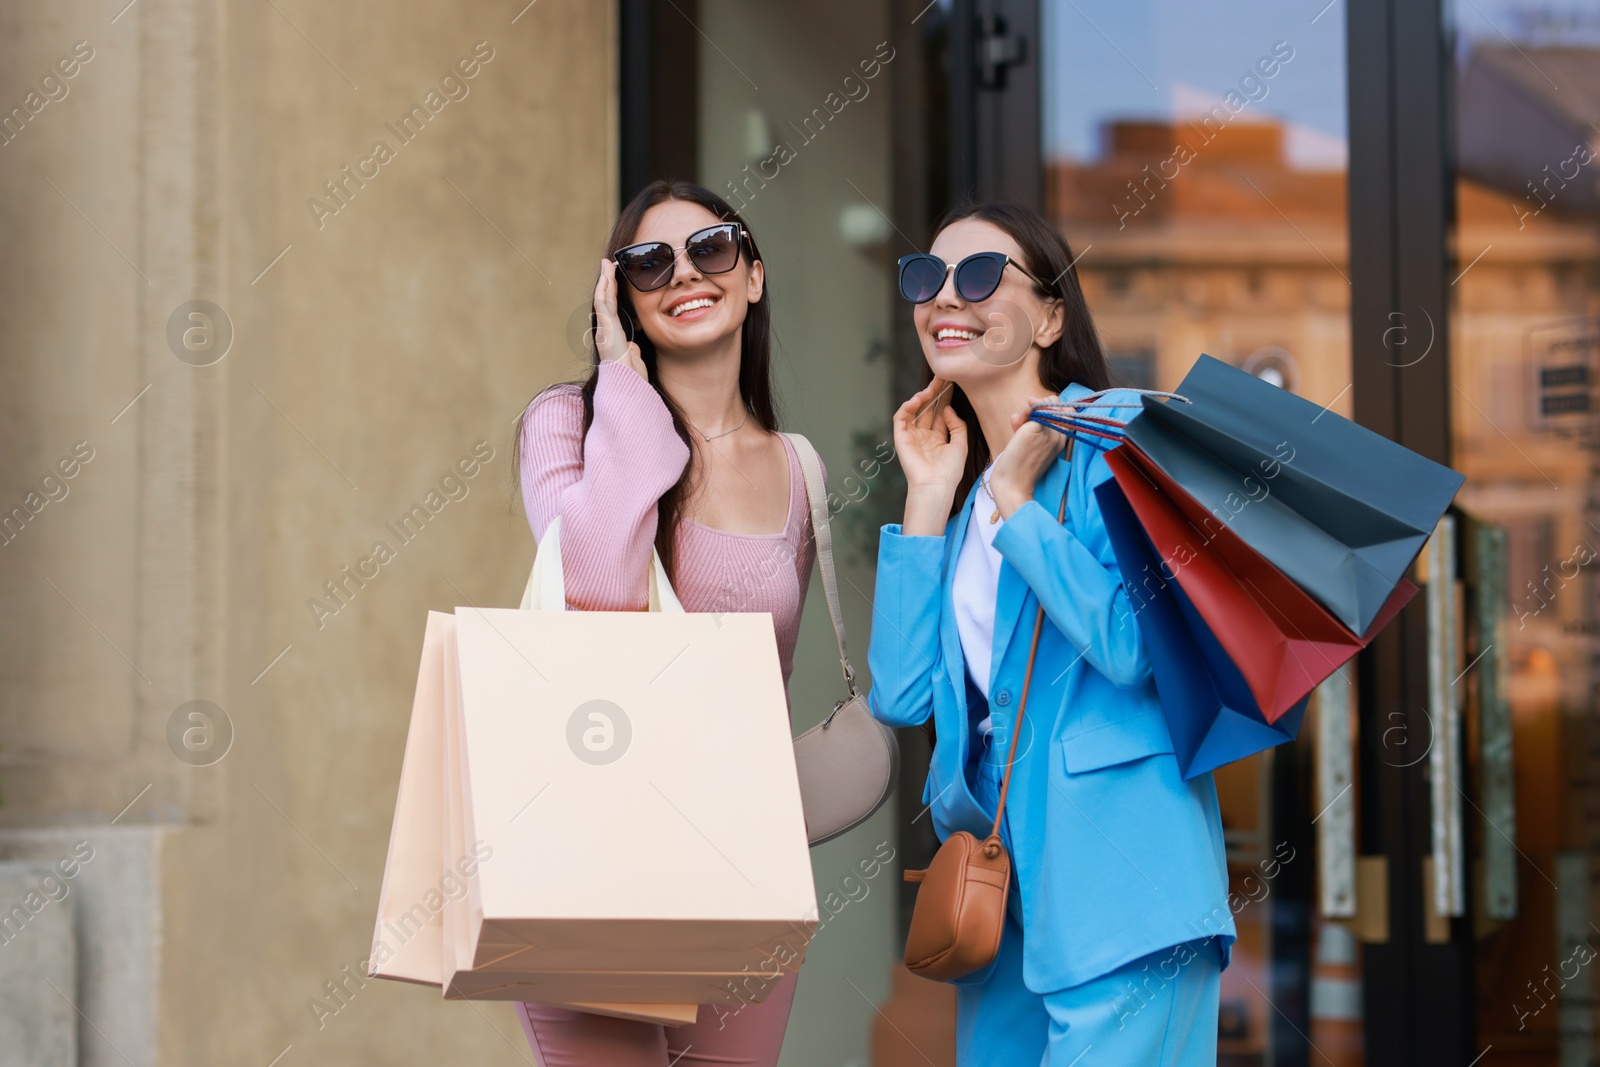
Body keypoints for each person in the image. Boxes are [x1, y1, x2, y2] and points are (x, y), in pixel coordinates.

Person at [865, 201, 1234, 1066]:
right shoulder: (960, 510)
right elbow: (902, 693)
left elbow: (1134, 649)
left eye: (983, 276)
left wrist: (1021, 510)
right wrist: (926, 498)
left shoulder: (1119, 445)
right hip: (1006, 901)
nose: (947, 298)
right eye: (927, 278)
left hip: (1124, 888)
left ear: (1051, 316)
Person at [512, 179, 817, 1066]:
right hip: (592, 849)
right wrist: (625, 386)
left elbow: (767, 686)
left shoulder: (796, 469)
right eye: (649, 262)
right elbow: (596, 581)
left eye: (712, 248)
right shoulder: (566, 423)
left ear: (753, 277)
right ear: (622, 296)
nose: (684, 272)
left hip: (743, 861)